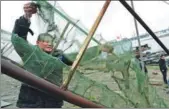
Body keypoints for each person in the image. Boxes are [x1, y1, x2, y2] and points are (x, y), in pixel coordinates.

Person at [11, 2, 73, 108]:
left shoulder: (59, 56)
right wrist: (27, 16)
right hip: (30, 102)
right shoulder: (30, 52)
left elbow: (73, 63)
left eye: (51, 41)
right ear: (37, 42)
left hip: (53, 102)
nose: (49, 43)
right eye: (45, 41)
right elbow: (19, 38)